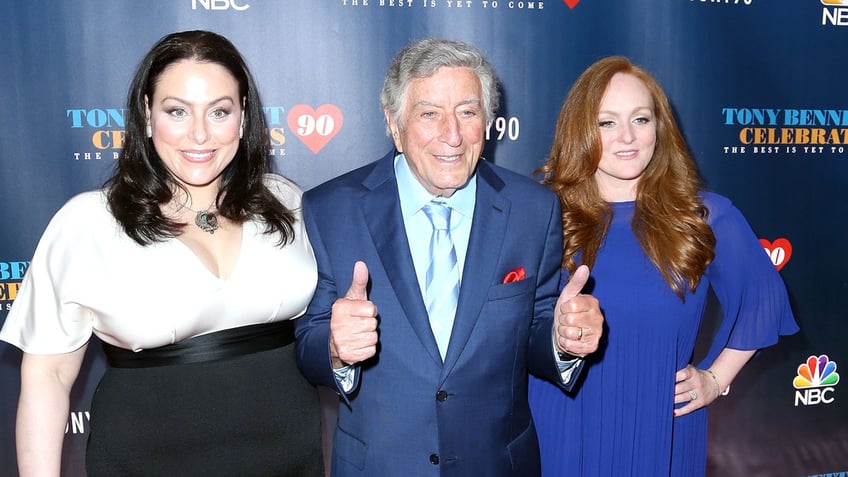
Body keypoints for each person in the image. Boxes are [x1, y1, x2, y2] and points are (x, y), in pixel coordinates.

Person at [0, 30, 324, 476]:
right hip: (143, 460)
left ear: (244, 117)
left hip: (289, 458)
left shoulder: (286, 202)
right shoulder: (90, 222)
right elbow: (48, 376)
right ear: (147, 116)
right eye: (177, 111)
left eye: (219, 111)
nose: (199, 133)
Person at [294, 37, 604, 477]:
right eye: (429, 114)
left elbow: (536, 328)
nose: (452, 135)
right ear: (394, 124)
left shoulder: (533, 208)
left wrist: (562, 338)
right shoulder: (331, 208)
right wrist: (335, 348)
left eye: (468, 111)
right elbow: (306, 343)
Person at [527, 55, 800, 476]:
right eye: (606, 123)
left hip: (659, 432)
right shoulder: (541, 215)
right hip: (561, 428)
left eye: (641, 119)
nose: (627, 137)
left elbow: (762, 299)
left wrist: (714, 379)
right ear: (581, 131)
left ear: (660, 126)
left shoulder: (704, 217)